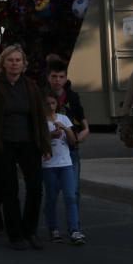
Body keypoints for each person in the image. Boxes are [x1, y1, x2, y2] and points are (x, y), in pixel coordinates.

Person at [0, 45, 52, 251]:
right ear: (3, 63)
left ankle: (30, 231)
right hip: (3, 143)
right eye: (10, 60)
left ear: (24, 64)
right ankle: (15, 234)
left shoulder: (31, 86)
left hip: (29, 143)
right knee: (10, 190)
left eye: (18, 60)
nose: (14, 63)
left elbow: (39, 117)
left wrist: (44, 143)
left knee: (35, 188)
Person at [41, 93, 84, 245]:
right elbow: (39, 141)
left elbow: (73, 141)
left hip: (65, 163)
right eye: (47, 103)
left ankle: (74, 229)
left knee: (70, 197)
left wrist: (66, 129)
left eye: (53, 103)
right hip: (49, 165)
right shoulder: (40, 121)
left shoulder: (63, 118)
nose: (50, 106)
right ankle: (53, 228)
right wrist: (50, 135)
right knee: (51, 197)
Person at [45, 59, 89, 177]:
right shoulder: (41, 96)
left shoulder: (72, 96)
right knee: (51, 187)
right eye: (54, 76)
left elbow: (81, 118)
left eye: (61, 76)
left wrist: (85, 130)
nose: (57, 80)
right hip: (48, 146)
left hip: (69, 145)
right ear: (48, 77)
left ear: (65, 78)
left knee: (73, 188)